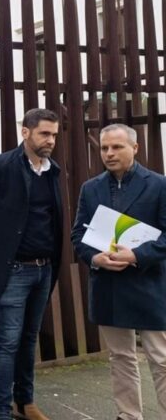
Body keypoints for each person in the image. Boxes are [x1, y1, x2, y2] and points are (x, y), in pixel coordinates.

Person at [0, 108, 62, 420]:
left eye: (54, 135)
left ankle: (25, 402)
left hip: (44, 269)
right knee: (7, 343)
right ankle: (1, 412)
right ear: (25, 132)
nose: (50, 140)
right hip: (15, 270)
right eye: (44, 133)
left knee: (29, 338)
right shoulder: (1, 165)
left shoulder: (52, 171)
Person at [71, 123, 166, 420]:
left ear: (135, 148)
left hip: (150, 284)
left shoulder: (159, 185)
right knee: (121, 358)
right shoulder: (91, 188)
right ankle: (128, 416)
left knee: (161, 360)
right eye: (104, 148)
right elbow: (78, 236)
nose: (109, 153)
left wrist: (136, 255)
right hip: (108, 285)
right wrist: (95, 259)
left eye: (117, 147)